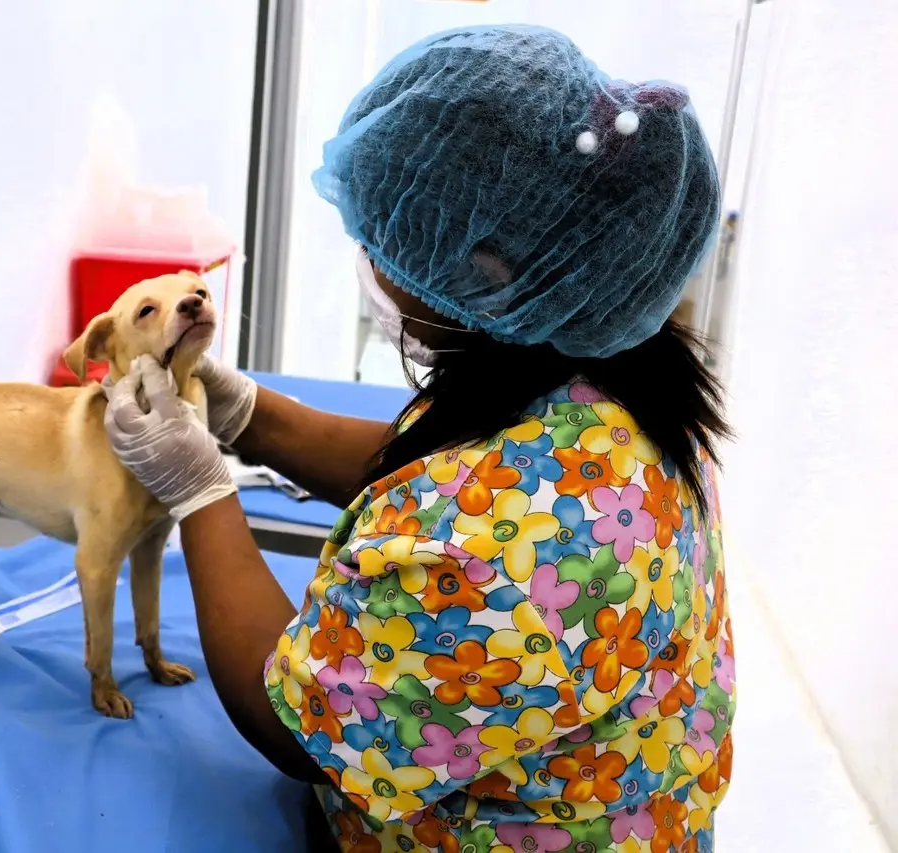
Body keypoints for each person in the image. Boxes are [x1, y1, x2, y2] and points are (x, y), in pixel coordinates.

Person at [104, 24, 735, 853]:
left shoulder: (496, 571)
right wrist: (248, 415)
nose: (371, 250)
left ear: (489, 270)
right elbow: (437, 476)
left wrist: (200, 490)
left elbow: (299, 729)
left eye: (391, 232)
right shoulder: (606, 370)